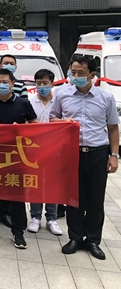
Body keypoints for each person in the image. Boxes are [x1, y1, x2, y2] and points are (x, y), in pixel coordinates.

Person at [51, 56, 119, 260]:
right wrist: (64, 121)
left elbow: (113, 127)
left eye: (81, 73)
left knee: (95, 200)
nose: (76, 76)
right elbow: (52, 118)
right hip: (71, 154)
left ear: (92, 75)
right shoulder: (62, 94)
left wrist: (114, 155)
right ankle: (75, 238)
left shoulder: (105, 97)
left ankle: (93, 240)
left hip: (98, 153)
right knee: (73, 198)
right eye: (73, 72)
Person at [0, 69, 37, 249]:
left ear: (13, 83)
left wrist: (21, 129)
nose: (1, 85)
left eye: (5, 82)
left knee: (17, 196)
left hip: (16, 156)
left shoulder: (23, 103)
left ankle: (18, 232)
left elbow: (35, 125)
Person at [27, 69, 63, 236]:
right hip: (34, 151)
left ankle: (51, 218)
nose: (41, 86)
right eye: (38, 83)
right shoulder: (30, 102)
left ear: (52, 83)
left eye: (45, 83)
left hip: (55, 150)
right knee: (35, 183)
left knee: (52, 184)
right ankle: (35, 217)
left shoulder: (58, 102)